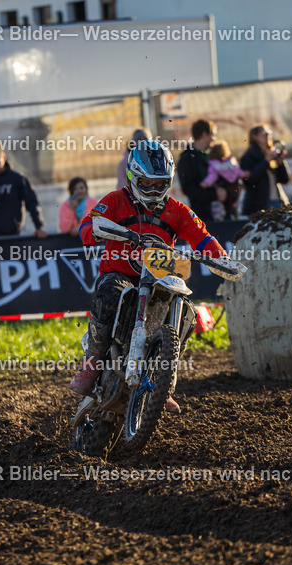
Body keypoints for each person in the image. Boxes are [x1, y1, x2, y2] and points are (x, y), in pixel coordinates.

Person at [70, 140, 231, 412]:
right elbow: (87, 227)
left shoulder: (177, 210)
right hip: (119, 276)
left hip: (158, 279)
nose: (153, 190)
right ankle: (93, 361)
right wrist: (100, 230)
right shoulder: (116, 200)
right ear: (133, 176)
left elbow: (202, 237)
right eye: (146, 183)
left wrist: (224, 261)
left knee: (186, 314)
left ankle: (159, 380)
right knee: (110, 293)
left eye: (160, 184)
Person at [0, 142, 45, 238]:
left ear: (4, 158)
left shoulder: (18, 179)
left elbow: (32, 204)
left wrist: (39, 227)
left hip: (12, 235)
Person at [176, 119, 227, 223]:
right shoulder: (186, 159)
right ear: (204, 134)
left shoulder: (214, 156)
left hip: (223, 213)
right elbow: (188, 189)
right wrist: (214, 195)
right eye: (212, 135)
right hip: (202, 217)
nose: (214, 139)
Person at [240, 125, 290, 214]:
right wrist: (265, 162)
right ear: (254, 137)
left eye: (269, 133)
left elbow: (285, 180)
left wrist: (280, 163)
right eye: (264, 133)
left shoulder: (273, 154)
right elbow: (249, 180)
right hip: (258, 206)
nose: (267, 135)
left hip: (278, 202)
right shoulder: (248, 157)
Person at [201, 141, 246, 220]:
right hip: (234, 191)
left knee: (220, 211)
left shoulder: (214, 165)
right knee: (233, 208)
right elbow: (240, 173)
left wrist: (205, 183)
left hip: (222, 192)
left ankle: (222, 221)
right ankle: (234, 217)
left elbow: (212, 176)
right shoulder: (232, 163)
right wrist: (245, 174)